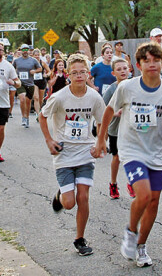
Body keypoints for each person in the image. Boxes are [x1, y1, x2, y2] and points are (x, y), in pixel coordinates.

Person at [98, 41, 162, 267]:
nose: (152, 64)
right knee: (143, 195)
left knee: (153, 202)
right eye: (147, 61)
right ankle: (130, 231)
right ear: (138, 64)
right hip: (131, 149)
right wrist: (101, 139)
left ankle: (141, 246)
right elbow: (108, 110)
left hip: (156, 153)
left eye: (156, 60)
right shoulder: (126, 87)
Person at [40, 53, 106, 256]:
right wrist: (49, 140)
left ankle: (80, 239)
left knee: (84, 196)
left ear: (88, 74)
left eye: (83, 72)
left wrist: (100, 142)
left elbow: (102, 120)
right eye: (75, 72)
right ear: (68, 74)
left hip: (85, 152)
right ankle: (60, 195)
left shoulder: (94, 96)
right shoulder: (59, 97)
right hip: (64, 153)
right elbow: (42, 117)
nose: (79, 76)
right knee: (69, 203)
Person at [102, 58, 134, 199]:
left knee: (133, 156)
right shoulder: (112, 89)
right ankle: (113, 184)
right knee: (117, 156)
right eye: (119, 69)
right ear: (113, 73)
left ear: (129, 70)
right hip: (115, 128)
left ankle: (131, 182)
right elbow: (102, 109)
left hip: (132, 128)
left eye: (125, 68)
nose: (122, 71)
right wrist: (116, 113)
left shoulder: (135, 86)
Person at [13, 44, 42, 128]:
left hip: (30, 83)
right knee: (22, 99)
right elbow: (12, 69)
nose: (25, 51)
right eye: (23, 49)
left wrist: (34, 71)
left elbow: (40, 69)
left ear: (29, 51)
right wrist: (14, 78)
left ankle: (27, 117)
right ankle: (23, 117)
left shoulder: (33, 60)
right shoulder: (17, 60)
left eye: (26, 49)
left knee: (28, 101)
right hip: (20, 83)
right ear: (21, 51)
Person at [32, 48, 51, 122]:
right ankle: (37, 114)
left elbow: (49, 71)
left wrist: (46, 75)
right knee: (36, 97)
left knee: (40, 99)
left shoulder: (42, 63)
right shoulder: (31, 63)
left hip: (42, 81)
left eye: (38, 55)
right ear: (32, 56)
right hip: (34, 82)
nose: (37, 56)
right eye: (35, 55)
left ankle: (40, 111)